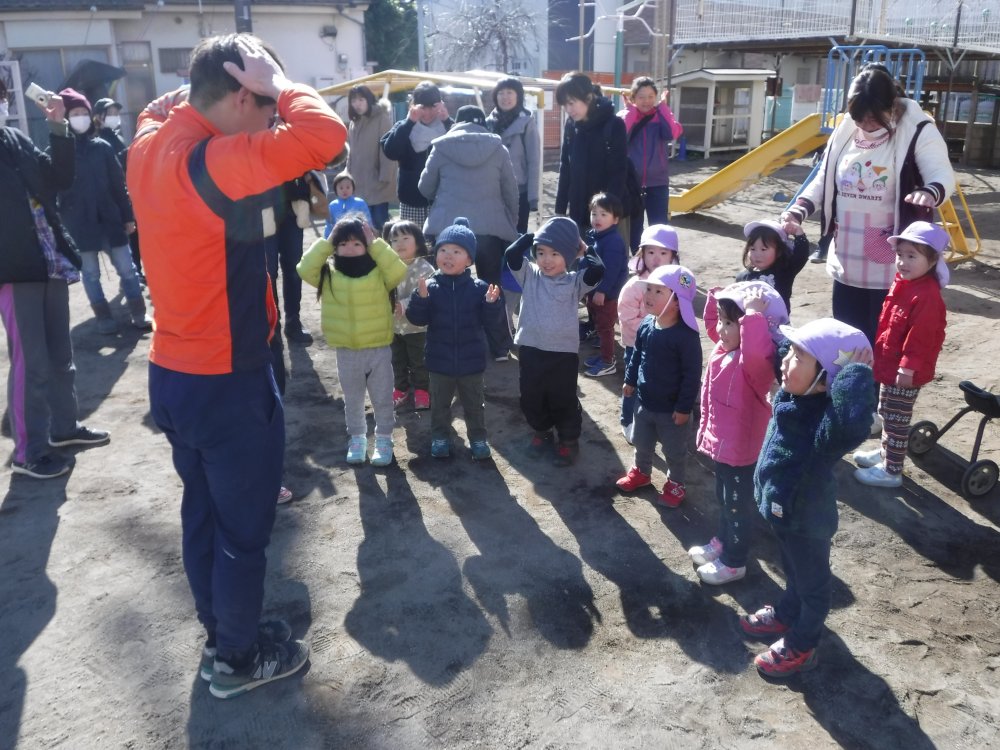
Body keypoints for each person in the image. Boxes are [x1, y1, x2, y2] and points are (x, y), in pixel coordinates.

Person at [128, 33, 347, 698]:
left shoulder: (148, 144)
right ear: (240, 96)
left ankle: (222, 632)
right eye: (266, 106)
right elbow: (325, 136)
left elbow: (154, 109)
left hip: (173, 371)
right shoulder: (216, 161)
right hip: (227, 380)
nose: (274, 117)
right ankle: (237, 659)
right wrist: (279, 82)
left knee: (204, 515)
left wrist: (234, 82)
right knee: (243, 532)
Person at [780, 64, 954, 348]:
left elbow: (942, 174)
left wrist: (929, 191)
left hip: (892, 257)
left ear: (891, 106)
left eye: (873, 118)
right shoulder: (846, 130)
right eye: (859, 117)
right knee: (848, 338)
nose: (865, 124)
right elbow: (824, 179)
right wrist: (799, 209)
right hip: (847, 254)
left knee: (884, 340)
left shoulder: (917, 129)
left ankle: (877, 378)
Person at [742, 318, 875, 678]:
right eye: (790, 352)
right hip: (782, 512)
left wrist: (855, 375)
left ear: (828, 378)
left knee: (813, 586)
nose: (786, 361)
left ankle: (803, 644)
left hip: (806, 521)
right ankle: (787, 612)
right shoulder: (795, 395)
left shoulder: (826, 425)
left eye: (799, 357)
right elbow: (784, 359)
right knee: (792, 570)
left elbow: (851, 424)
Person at [0, 77, 110, 480]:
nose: (3, 102)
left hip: (50, 260)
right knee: (30, 362)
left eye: (2, 96)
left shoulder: (14, 138)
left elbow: (59, 178)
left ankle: (64, 428)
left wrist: (58, 126)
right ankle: (28, 452)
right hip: (13, 267)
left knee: (61, 355)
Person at [689, 282, 788, 585]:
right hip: (725, 446)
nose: (721, 329)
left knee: (736, 507)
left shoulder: (756, 362)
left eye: (731, 322)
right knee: (724, 499)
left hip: (741, 452)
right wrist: (715, 299)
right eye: (723, 320)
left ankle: (734, 562)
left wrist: (753, 316)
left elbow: (757, 352)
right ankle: (722, 540)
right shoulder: (727, 347)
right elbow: (712, 326)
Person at [298, 217, 406, 466]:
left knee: (382, 398)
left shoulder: (380, 273)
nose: (350, 248)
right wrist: (327, 241)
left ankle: (384, 439)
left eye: (357, 243)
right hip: (346, 351)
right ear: (335, 247)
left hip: (378, 348)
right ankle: (357, 439)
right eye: (343, 243)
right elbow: (304, 268)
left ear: (367, 246)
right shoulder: (329, 275)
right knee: (353, 399)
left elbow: (398, 270)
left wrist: (375, 243)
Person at [418, 104, 519, 360]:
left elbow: (425, 187)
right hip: (489, 228)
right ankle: (499, 347)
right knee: (492, 286)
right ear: (482, 123)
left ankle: (446, 343)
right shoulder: (498, 148)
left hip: (447, 230)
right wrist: (510, 222)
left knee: (443, 286)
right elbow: (511, 190)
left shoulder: (441, 147)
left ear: (456, 123)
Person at [853, 221, 949, 488]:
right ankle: (886, 452)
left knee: (897, 419)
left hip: (904, 371)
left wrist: (908, 367)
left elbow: (921, 337)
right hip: (889, 364)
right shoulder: (903, 284)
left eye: (912, 256)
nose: (903, 262)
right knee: (886, 411)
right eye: (900, 254)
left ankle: (891, 470)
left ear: (932, 261)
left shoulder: (927, 295)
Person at [505, 217, 604, 466]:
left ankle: (569, 440)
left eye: (555, 253)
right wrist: (535, 236)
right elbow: (511, 254)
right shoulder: (530, 275)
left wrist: (584, 249)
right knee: (531, 396)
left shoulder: (574, 282)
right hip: (531, 349)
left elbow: (597, 271)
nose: (546, 260)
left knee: (563, 398)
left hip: (562, 355)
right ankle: (542, 431)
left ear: (568, 256)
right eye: (541, 252)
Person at [405, 218, 504, 460]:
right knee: (439, 405)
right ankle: (440, 438)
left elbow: (492, 323)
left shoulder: (479, 288)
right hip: (439, 362)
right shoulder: (430, 287)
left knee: (474, 405)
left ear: (469, 260)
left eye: (456, 251)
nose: (448, 256)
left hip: (471, 362)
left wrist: (491, 305)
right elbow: (416, 319)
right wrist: (421, 299)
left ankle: (478, 438)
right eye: (443, 250)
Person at [57, 87, 150, 333]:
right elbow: (53, 187)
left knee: (128, 269)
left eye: (83, 112)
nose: (80, 117)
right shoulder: (59, 151)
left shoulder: (102, 147)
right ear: (65, 117)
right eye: (74, 113)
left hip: (111, 220)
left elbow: (119, 185)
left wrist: (127, 216)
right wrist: (65, 220)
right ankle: (103, 317)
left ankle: (139, 312)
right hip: (80, 224)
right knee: (90, 274)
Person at [616, 264, 702, 507]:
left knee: (674, 451)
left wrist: (684, 408)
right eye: (649, 289)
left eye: (658, 291)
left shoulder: (686, 337)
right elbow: (636, 355)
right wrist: (630, 380)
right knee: (641, 442)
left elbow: (691, 375)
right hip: (644, 402)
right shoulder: (646, 324)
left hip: (672, 411)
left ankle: (675, 484)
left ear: (677, 302)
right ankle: (641, 472)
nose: (649, 296)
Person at [616, 224, 680, 443]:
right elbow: (627, 317)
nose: (657, 258)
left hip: (665, 347)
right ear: (642, 254)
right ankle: (627, 420)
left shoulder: (676, 283)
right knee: (633, 384)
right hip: (637, 346)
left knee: (657, 384)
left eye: (664, 252)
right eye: (651, 252)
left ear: (673, 256)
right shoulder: (635, 286)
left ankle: (652, 422)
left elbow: (682, 307)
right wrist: (653, 332)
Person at [554, 72, 629, 239]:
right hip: (578, 212)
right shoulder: (571, 125)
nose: (568, 109)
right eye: (565, 105)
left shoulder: (614, 124)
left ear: (588, 98)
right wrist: (560, 209)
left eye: (571, 103)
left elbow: (619, 171)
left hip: (608, 214)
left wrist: (609, 210)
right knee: (579, 254)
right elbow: (565, 167)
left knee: (610, 254)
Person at [620, 76, 683, 250]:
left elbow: (672, 133)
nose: (646, 101)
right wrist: (630, 111)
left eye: (650, 96)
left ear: (656, 97)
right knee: (634, 229)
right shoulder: (627, 116)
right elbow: (620, 135)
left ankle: (660, 261)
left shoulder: (660, 116)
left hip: (658, 183)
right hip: (632, 184)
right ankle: (638, 260)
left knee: (659, 228)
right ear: (633, 98)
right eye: (641, 97)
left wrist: (663, 108)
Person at [380, 81, 453, 226]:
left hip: (442, 200)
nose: (427, 113)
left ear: (440, 105)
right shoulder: (404, 126)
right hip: (411, 200)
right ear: (414, 105)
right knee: (411, 240)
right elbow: (390, 152)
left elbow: (459, 149)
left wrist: (447, 121)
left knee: (441, 240)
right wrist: (409, 123)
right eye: (423, 107)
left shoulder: (448, 126)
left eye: (432, 107)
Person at [388, 220, 434, 411]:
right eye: (394, 239)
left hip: (417, 327)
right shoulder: (388, 267)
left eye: (405, 238)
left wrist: (405, 304)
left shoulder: (425, 268)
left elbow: (428, 292)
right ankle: (401, 388)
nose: (399, 243)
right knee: (396, 360)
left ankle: (422, 390)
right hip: (394, 326)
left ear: (418, 242)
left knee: (419, 361)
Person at [485, 76, 541, 233]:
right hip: (493, 191)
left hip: (519, 192)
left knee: (516, 236)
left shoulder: (527, 123)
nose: (505, 97)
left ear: (518, 95)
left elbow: (534, 161)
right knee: (494, 236)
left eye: (510, 92)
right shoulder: (488, 123)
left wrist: (532, 197)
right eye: (501, 93)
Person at [582, 192, 629, 378]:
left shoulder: (613, 242)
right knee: (599, 325)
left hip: (607, 295)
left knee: (605, 328)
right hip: (595, 292)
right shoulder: (597, 237)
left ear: (615, 219)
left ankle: (608, 362)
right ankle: (604, 355)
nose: (597, 218)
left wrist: (602, 291)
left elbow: (612, 271)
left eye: (603, 214)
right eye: (594, 213)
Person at [346, 84, 396, 229]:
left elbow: (387, 150)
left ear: (369, 99)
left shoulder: (381, 118)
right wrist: (347, 174)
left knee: (380, 223)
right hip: (358, 182)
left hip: (377, 181)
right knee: (362, 225)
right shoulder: (354, 123)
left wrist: (385, 177)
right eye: (354, 100)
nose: (357, 104)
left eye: (361, 100)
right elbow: (352, 152)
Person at [736, 219, 810, 313]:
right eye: (752, 249)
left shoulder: (784, 271)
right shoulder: (743, 277)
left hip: (778, 321)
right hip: (750, 321)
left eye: (763, 249)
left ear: (779, 251)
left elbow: (801, 255)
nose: (757, 254)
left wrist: (799, 234)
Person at [323, 171, 372, 237]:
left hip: (358, 236)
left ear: (353, 188)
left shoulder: (360, 203)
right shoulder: (332, 205)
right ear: (335, 189)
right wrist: (327, 238)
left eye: (348, 187)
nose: (344, 190)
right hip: (339, 237)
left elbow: (367, 221)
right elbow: (329, 224)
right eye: (341, 188)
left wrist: (369, 235)